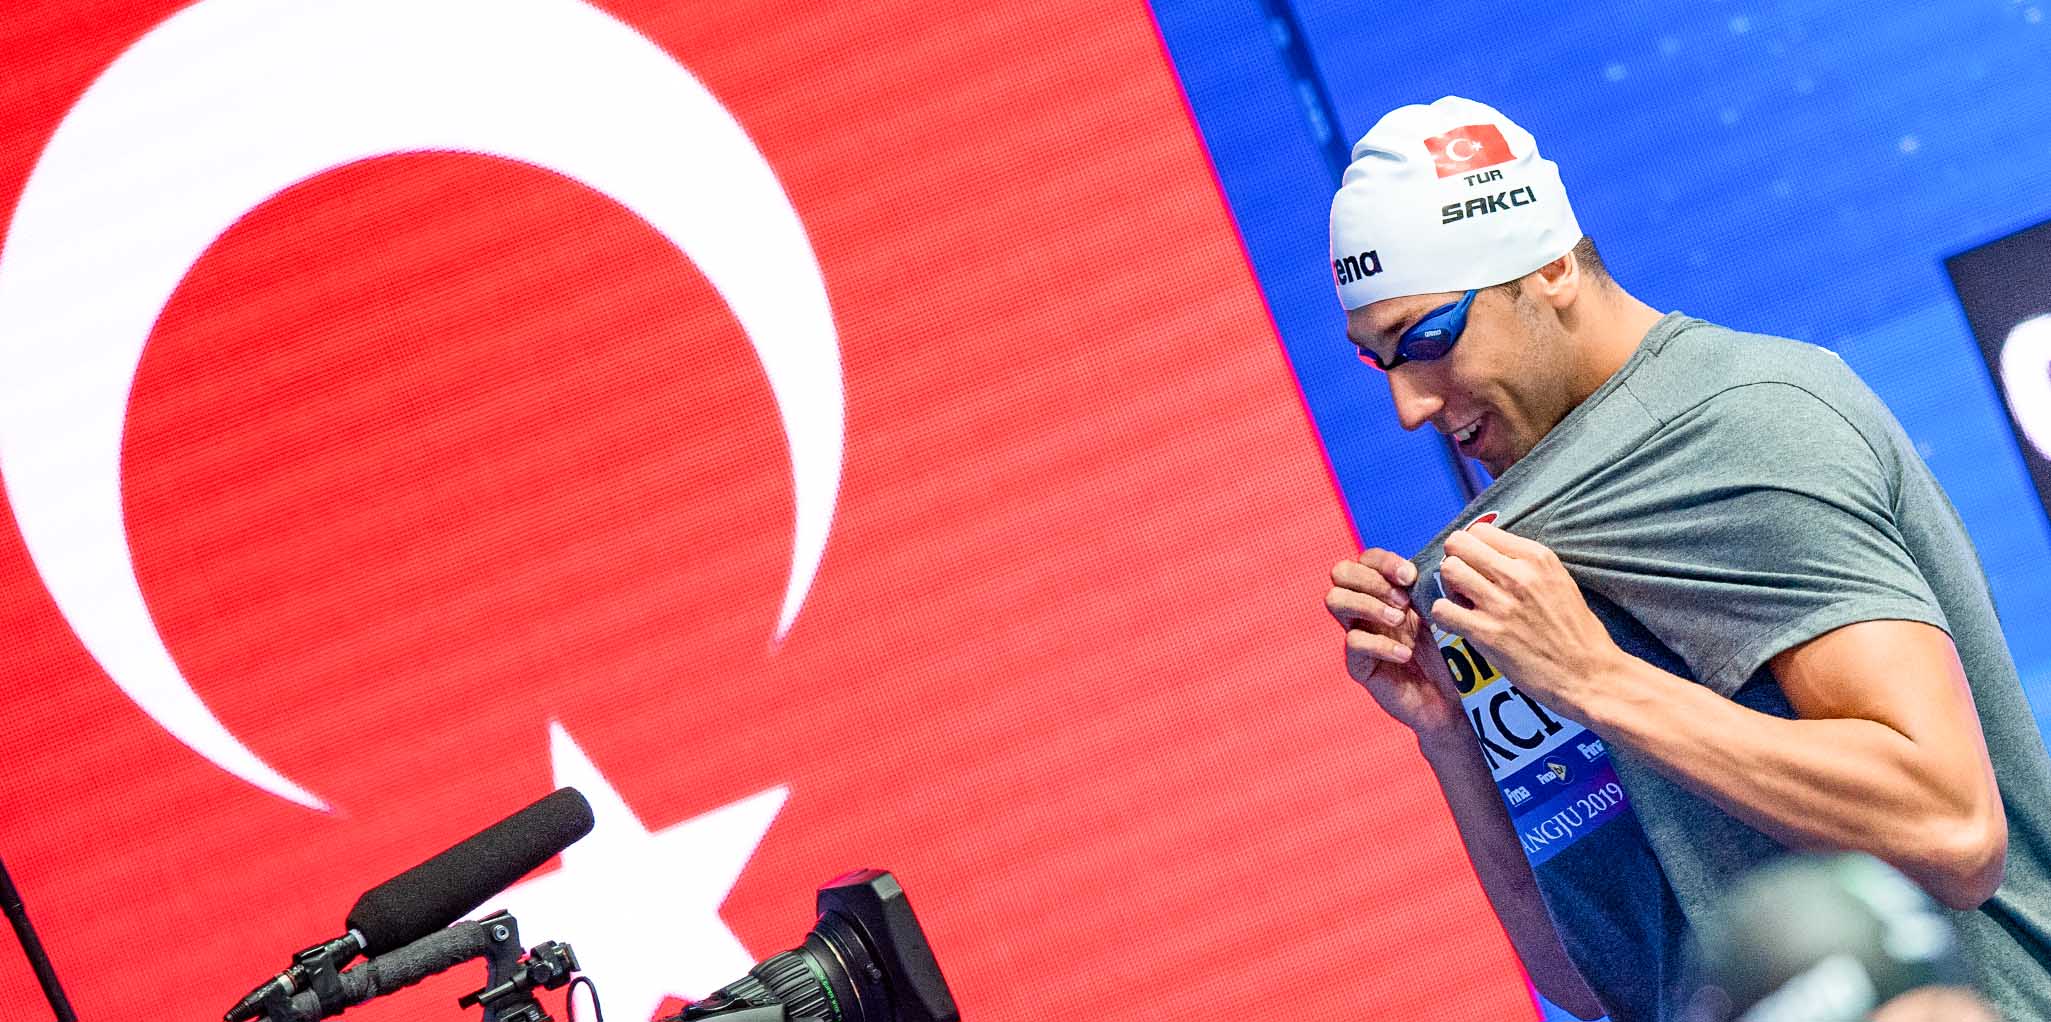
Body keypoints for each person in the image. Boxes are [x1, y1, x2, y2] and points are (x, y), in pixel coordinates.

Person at [1318, 96, 2051, 1021]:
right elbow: (1596, 979)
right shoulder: (1517, 546)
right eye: (1378, 361)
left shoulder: (1747, 426)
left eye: (1427, 339)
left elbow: (1949, 828)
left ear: (1549, 267)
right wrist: (1449, 735)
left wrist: (1597, 682)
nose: (1410, 407)